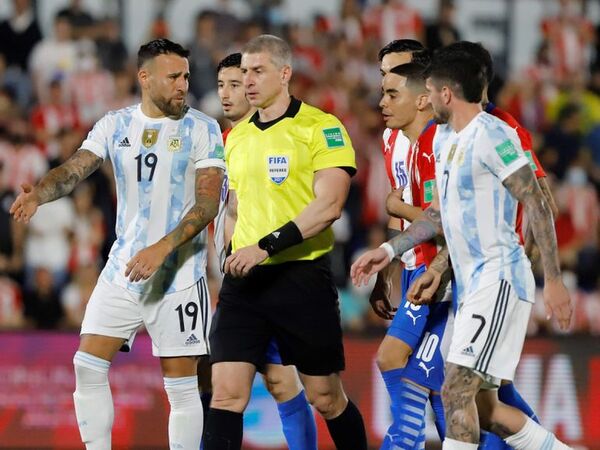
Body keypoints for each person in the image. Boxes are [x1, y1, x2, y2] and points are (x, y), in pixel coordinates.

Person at [351, 45, 573, 449]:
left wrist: (554, 280)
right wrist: (390, 250)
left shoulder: (496, 134)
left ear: (445, 93)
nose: (426, 99)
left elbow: (538, 202)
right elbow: (439, 217)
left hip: (499, 278)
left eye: (431, 91)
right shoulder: (446, 141)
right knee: (484, 408)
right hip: (469, 283)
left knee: (453, 390)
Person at [11, 39, 225, 450]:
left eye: (185, 75)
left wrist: (162, 249)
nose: (184, 84)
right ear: (144, 78)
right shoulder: (115, 124)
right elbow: (75, 168)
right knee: (86, 365)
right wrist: (39, 193)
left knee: (180, 387)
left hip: (178, 275)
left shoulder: (203, 127)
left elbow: (208, 202)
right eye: (174, 77)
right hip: (123, 268)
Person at [204, 35, 367, 450]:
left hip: (301, 280)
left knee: (325, 397)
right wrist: (228, 253)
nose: (248, 81)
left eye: (258, 71)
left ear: (285, 73)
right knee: (226, 394)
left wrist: (265, 246)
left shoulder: (321, 127)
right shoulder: (236, 138)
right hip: (245, 285)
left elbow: (329, 205)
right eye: (244, 73)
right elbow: (236, 208)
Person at [215, 52, 317, 450]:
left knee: (280, 380)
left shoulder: (286, 138)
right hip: (234, 278)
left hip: (277, 276)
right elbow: (224, 215)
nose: (227, 94)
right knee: (226, 386)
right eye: (222, 84)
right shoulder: (222, 142)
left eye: (236, 84)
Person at [377, 51, 454, 448]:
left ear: (422, 97)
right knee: (437, 385)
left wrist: (398, 208)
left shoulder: (436, 143)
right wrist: (390, 258)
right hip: (419, 268)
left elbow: (441, 220)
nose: (382, 102)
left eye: (392, 92)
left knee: (396, 361)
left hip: (446, 274)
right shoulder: (403, 141)